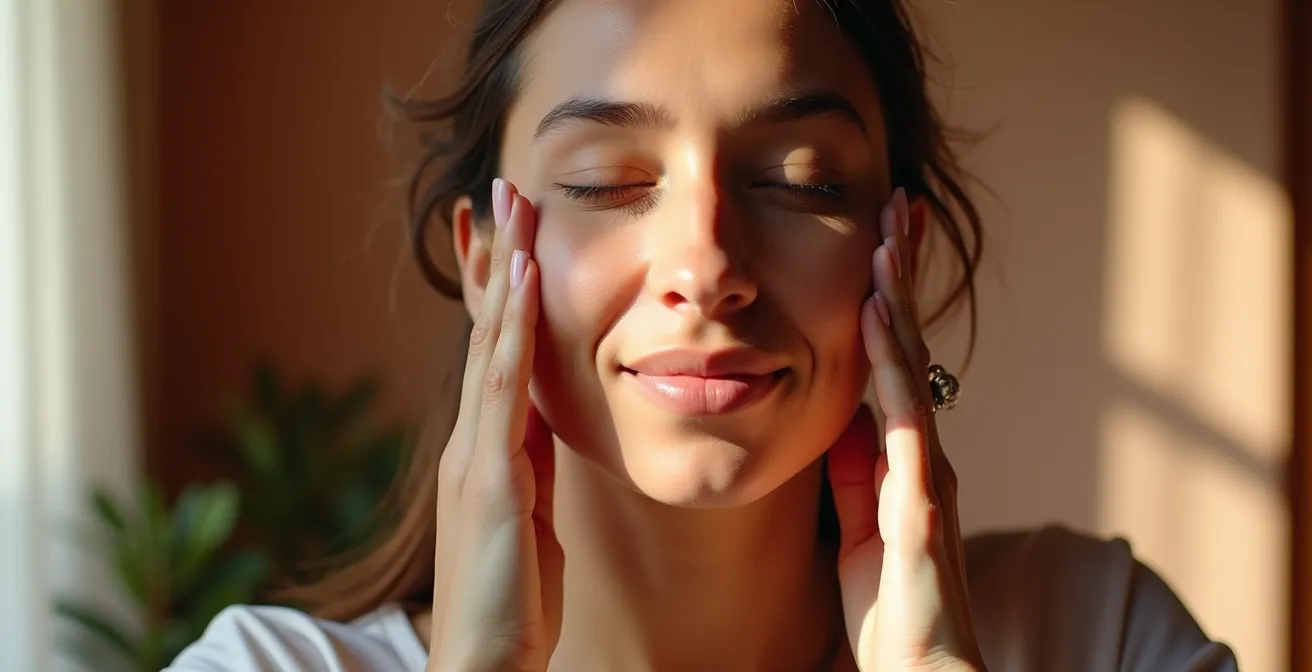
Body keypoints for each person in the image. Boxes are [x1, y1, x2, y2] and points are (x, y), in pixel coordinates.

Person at [167, 0, 1240, 670]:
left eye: (796, 178)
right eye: (606, 182)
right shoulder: (264, 668)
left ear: (895, 247)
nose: (706, 267)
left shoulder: (1098, 637)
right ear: (487, 258)